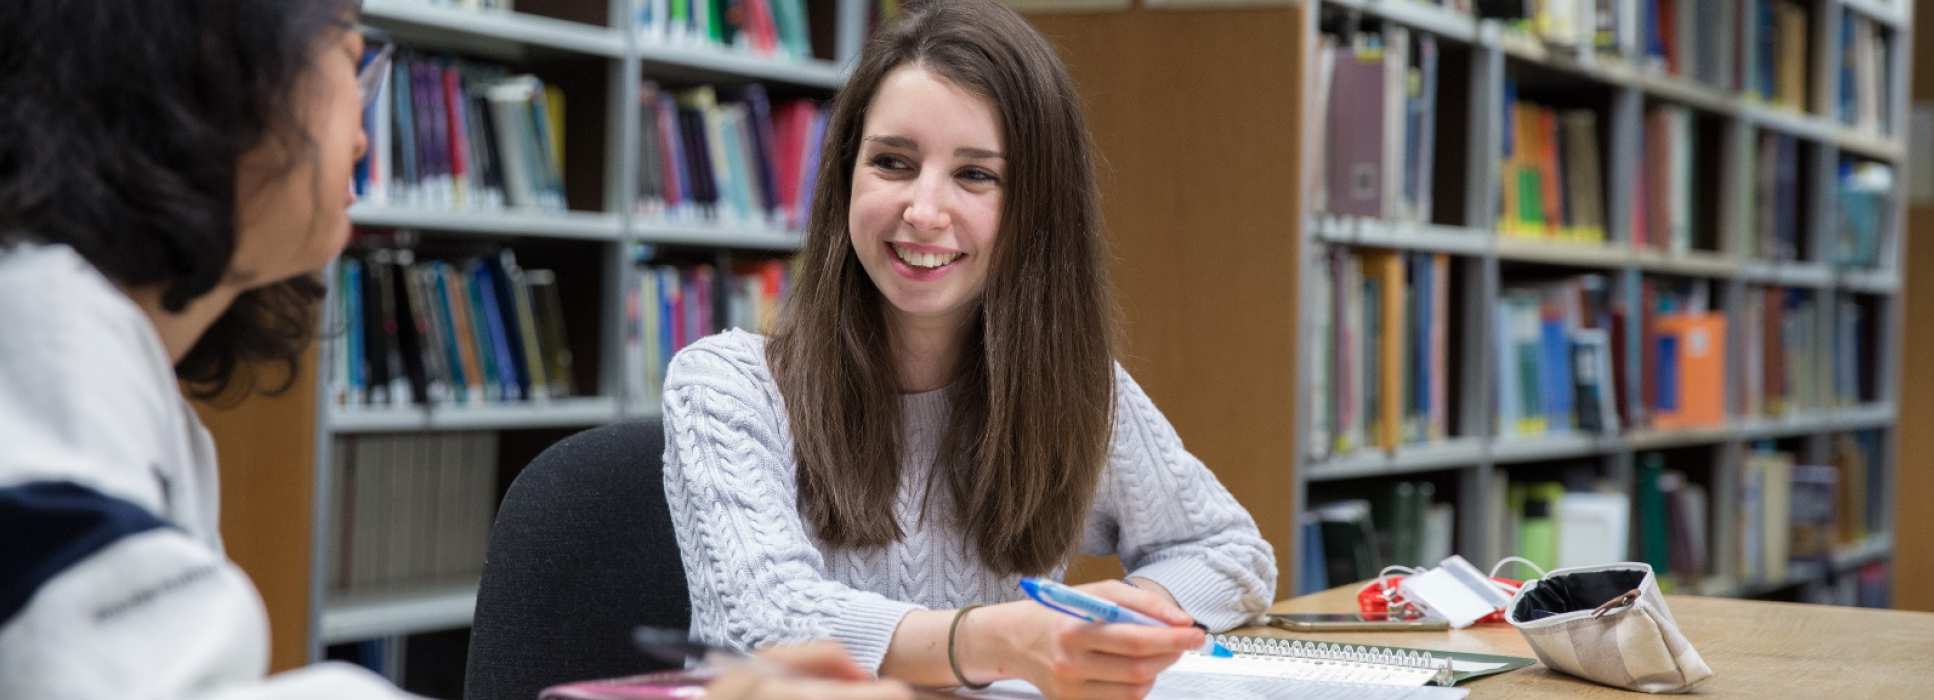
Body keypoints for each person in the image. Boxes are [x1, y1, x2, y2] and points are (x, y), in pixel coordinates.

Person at [0, 2, 902, 698]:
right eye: (354, 63)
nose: (364, 127)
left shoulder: (99, 359)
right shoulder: (40, 364)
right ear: (212, 80)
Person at [659, 1, 1278, 698]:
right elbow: (767, 624)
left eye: (975, 175)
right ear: (844, 178)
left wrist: (1124, 622)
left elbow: (1231, 552)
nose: (924, 211)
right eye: (892, 162)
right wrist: (1007, 641)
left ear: (1035, 212)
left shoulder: (1072, 389)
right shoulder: (726, 384)